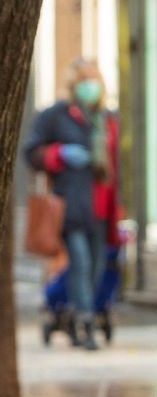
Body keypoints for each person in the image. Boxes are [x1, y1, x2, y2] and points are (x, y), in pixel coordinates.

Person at [25, 58, 122, 350]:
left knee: (95, 268)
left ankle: (76, 313)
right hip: (68, 207)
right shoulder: (56, 115)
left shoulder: (108, 119)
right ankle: (85, 324)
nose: (90, 87)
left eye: (94, 81)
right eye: (84, 82)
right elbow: (31, 152)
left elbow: (118, 164)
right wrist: (59, 154)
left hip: (101, 207)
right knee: (79, 263)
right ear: (73, 86)